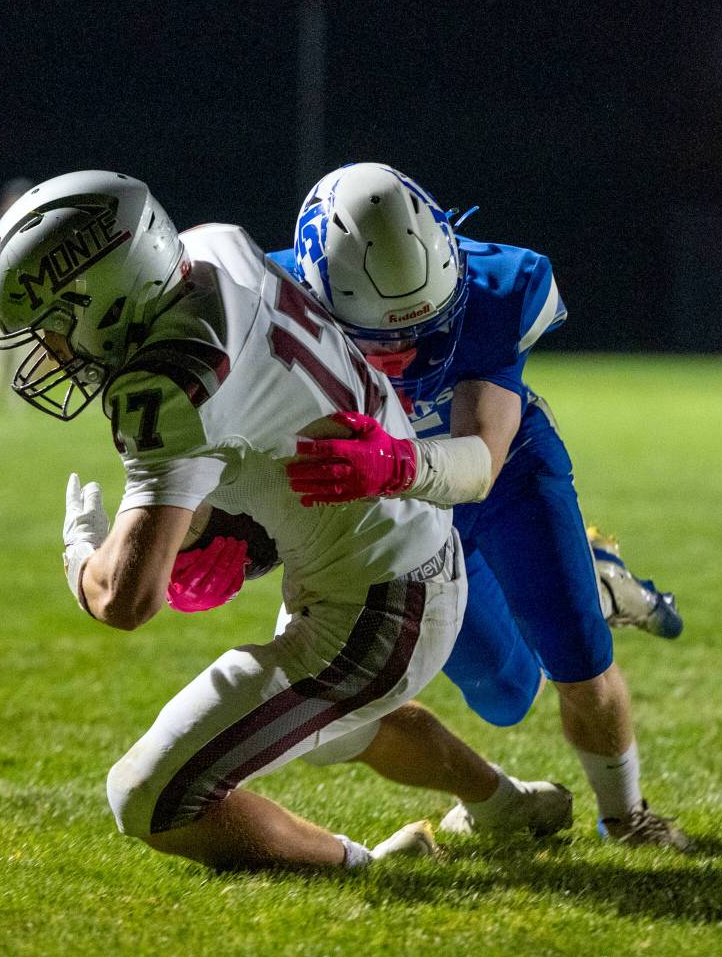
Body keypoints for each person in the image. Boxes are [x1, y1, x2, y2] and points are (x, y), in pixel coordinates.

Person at [0, 169, 571, 873]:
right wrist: (222, 524)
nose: (48, 349)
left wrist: (82, 553)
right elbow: (259, 415)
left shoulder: (167, 381)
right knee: (328, 725)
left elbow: (125, 599)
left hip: (383, 604)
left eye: (52, 324)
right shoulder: (215, 248)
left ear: (105, 297)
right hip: (400, 551)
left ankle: (368, 865)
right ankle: (505, 806)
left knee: (149, 798)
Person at [268, 163, 689, 850]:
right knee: (503, 693)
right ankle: (596, 592)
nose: (405, 352)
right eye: (382, 339)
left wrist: (394, 462)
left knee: (578, 659)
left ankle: (626, 816)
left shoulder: (496, 288)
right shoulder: (269, 299)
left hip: (502, 476)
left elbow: (480, 462)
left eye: (426, 326)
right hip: (392, 503)